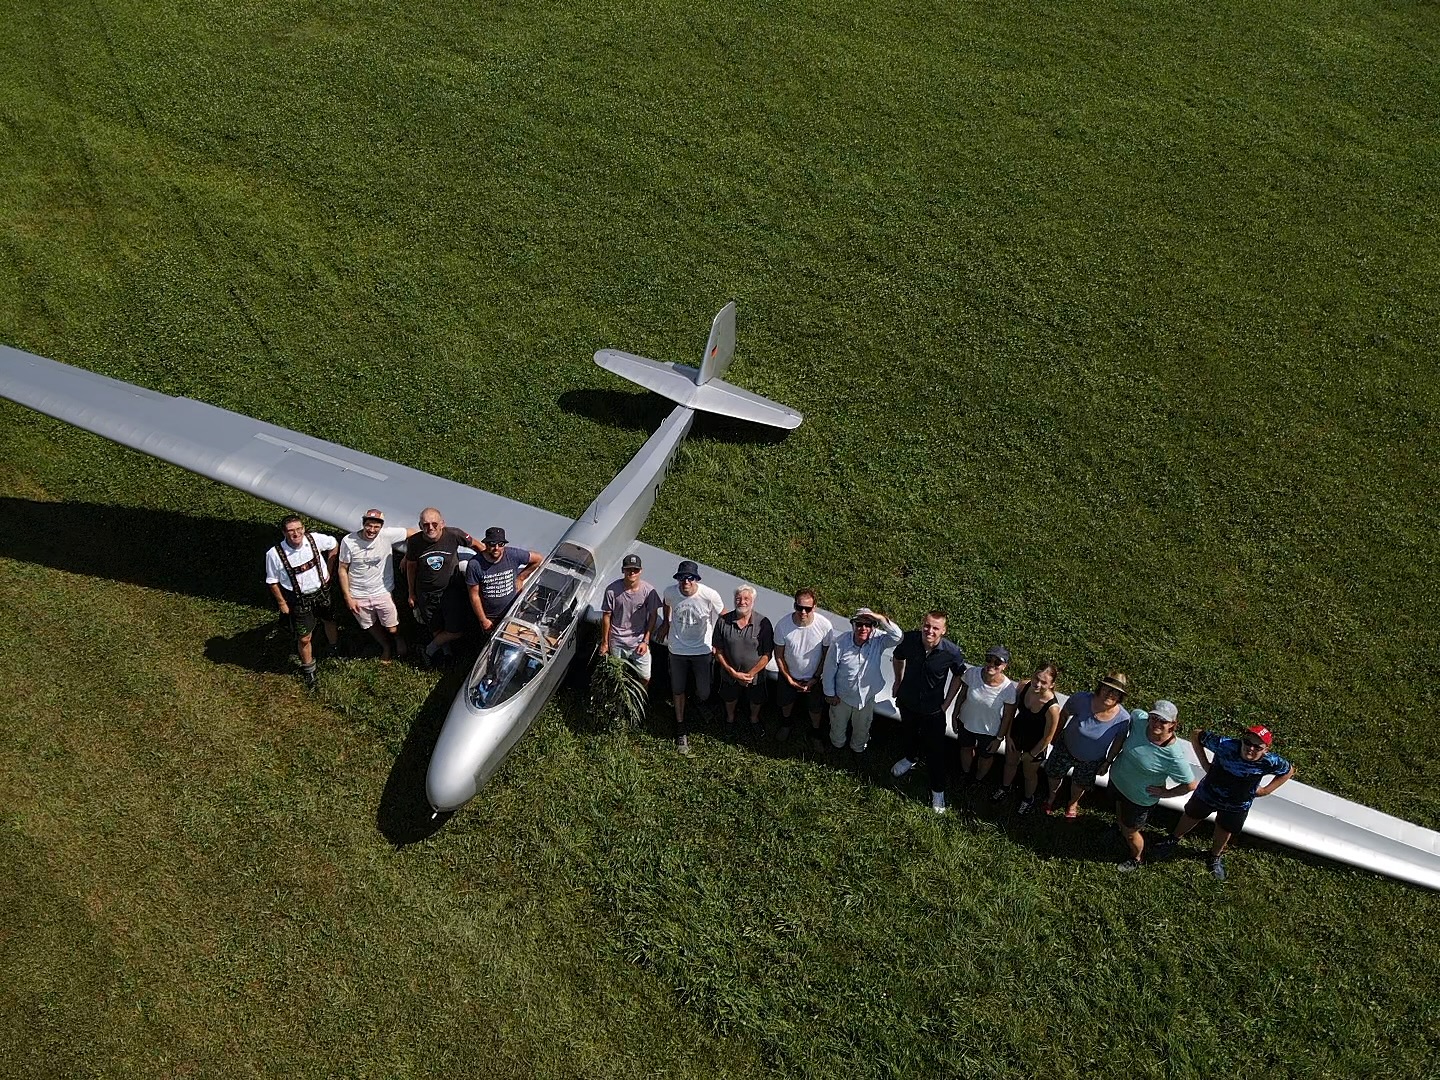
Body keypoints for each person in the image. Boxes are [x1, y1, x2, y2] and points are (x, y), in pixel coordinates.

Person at [1152, 725, 1295, 881]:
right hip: (1208, 793)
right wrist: (1205, 764)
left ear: (1266, 749)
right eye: (1247, 742)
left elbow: (1288, 771)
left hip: (1237, 804)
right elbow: (1196, 735)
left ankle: (1215, 856)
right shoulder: (1224, 744)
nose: (1250, 748)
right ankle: (1173, 839)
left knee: (1225, 828)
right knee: (1191, 815)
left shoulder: (1271, 762)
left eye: (1257, 747)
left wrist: (1266, 790)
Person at [1107, 700, 1199, 871]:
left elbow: (1190, 784)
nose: (1156, 723)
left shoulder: (1173, 755)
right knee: (1120, 809)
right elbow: (1135, 712)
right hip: (1118, 781)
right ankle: (1120, 827)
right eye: (1154, 718)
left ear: (1173, 724)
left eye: (1163, 721)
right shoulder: (1141, 720)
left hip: (1139, 798)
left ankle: (1136, 858)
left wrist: (1165, 793)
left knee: (1131, 832)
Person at [890, 611, 967, 814]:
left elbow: (959, 677)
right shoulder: (910, 639)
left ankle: (938, 791)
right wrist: (898, 682)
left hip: (933, 710)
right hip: (907, 701)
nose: (929, 631)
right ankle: (910, 758)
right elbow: (898, 657)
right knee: (908, 734)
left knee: (935, 752)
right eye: (926, 625)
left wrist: (947, 703)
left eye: (935, 628)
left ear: (943, 631)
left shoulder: (952, 652)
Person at [657, 560, 726, 755]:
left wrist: (718, 640)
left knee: (704, 690)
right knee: (677, 689)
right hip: (677, 650)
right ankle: (680, 727)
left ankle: (698, 701)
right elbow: (666, 602)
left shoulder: (709, 595)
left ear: (696, 579)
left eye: (690, 578)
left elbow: (723, 614)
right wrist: (666, 623)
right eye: (681, 578)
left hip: (702, 650)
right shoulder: (671, 592)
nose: (685, 582)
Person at [264, 514, 340, 689]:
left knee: (329, 619)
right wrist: (282, 603)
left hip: (322, 592)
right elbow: (272, 581)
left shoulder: (315, 539)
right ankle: (309, 670)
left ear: (304, 529)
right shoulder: (274, 554)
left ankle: (334, 648)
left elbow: (334, 544)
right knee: (304, 637)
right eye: (291, 531)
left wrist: (329, 569)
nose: (296, 534)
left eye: (299, 529)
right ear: (284, 532)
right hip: (299, 599)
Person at [1042, 671, 1132, 818]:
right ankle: (1051, 797)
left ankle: (1072, 803)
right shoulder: (1081, 699)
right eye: (1107, 689)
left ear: (1120, 697)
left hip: (1091, 760)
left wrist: (1108, 762)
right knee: (1053, 774)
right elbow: (1064, 714)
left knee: (1079, 785)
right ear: (1100, 688)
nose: (1110, 694)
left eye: (1115, 692)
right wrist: (1055, 735)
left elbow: (1118, 742)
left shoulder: (1123, 719)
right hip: (1065, 748)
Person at [336, 509, 416, 663]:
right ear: (363, 524)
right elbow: (342, 569)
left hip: (383, 591)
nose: (371, 530)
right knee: (369, 625)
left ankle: (398, 639)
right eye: (368, 526)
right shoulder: (349, 541)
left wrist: (409, 555)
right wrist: (348, 597)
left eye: (376, 527)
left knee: (392, 626)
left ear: (381, 527)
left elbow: (413, 533)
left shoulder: (387, 535)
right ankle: (385, 646)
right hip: (358, 594)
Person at [823, 608, 903, 753]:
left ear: (874, 626)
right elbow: (829, 670)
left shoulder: (878, 640)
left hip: (866, 698)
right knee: (837, 725)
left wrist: (878, 617)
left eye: (868, 624)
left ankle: (857, 749)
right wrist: (829, 694)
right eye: (859, 624)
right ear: (853, 625)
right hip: (842, 697)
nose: (863, 628)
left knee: (863, 727)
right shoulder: (839, 643)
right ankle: (837, 745)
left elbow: (898, 637)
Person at [404, 508, 476, 666]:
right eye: (425, 524)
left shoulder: (454, 534)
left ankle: (428, 650)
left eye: (434, 523)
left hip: (450, 591)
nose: (430, 528)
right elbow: (411, 567)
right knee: (435, 627)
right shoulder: (415, 542)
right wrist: (411, 593)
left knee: (455, 631)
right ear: (420, 525)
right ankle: (446, 653)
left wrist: (486, 562)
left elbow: (476, 545)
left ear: (442, 524)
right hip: (426, 593)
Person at [995, 662, 1062, 814]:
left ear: (1052, 685)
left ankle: (1028, 798)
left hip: (1036, 743)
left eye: (1043, 682)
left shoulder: (1052, 708)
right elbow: (1011, 711)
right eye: (1036, 678)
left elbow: (1048, 737)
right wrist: (1009, 735)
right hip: (1017, 733)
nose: (1037, 684)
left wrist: (1031, 754)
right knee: (1009, 763)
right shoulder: (1024, 686)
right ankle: (1005, 787)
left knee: (1029, 774)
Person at [952, 646, 1017, 795]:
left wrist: (999, 739)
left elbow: (1008, 716)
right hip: (966, 722)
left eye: (997, 662)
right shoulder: (972, 673)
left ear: (1004, 666)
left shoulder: (1008, 689)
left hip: (989, 731)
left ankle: (978, 779)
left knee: (985, 757)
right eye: (989, 659)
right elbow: (962, 695)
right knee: (966, 748)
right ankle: (965, 773)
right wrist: (955, 715)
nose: (991, 664)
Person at [773, 587, 834, 746]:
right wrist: (788, 678)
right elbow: (778, 654)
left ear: (814, 607)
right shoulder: (783, 625)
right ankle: (786, 724)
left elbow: (826, 655)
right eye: (799, 607)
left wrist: (815, 678)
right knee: (786, 703)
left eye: (807, 608)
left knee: (815, 708)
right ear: (794, 605)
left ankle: (815, 732)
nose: (803, 612)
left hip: (814, 678)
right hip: (789, 675)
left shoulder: (825, 626)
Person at [712, 585, 775, 731]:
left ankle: (754, 719)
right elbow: (718, 650)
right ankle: (730, 718)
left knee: (756, 700)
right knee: (729, 698)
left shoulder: (763, 623)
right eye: (738, 598)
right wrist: (732, 672)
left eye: (746, 599)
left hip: (755, 676)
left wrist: (751, 674)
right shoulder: (723, 621)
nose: (742, 602)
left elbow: (767, 653)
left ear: (753, 601)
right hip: (729, 673)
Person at [465, 526, 543, 636]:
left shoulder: (513, 555)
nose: (496, 548)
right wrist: (483, 620)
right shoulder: (475, 565)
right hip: (491, 617)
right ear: (486, 544)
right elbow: (474, 596)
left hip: (513, 611)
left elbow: (538, 559)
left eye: (500, 544)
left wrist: (521, 577)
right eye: (492, 544)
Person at [600, 553, 661, 682]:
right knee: (616, 675)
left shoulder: (649, 591)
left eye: (635, 569)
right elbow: (606, 616)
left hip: (638, 640)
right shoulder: (611, 590)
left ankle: (641, 699)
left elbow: (653, 615)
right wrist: (605, 642)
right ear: (623, 570)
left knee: (645, 677)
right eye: (629, 569)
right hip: (617, 639)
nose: (632, 572)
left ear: (640, 571)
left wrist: (646, 641)